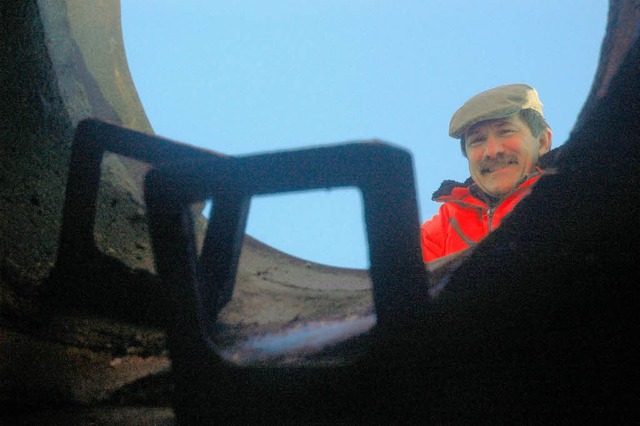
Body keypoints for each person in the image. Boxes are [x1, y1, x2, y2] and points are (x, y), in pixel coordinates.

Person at [421, 83, 553, 263]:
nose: (492, 151)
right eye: (477, 140)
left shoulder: (569, 194)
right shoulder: (442, 229)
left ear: (543, 142)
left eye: (506, 131)